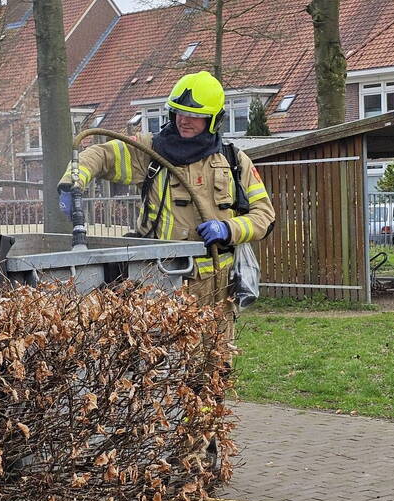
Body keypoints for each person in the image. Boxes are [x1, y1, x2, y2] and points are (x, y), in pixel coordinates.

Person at [58, 70, 275, 320]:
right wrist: (72, 183)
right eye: (179, 112)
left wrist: (228, 229)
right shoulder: (149, 151)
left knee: (215, 357)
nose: (184, 120)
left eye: (195, 115)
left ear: (214, 120)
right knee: (164, 355)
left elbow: (265, 217)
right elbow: (99, 155)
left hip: (216, 284)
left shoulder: (233, 161)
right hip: (160, 279)